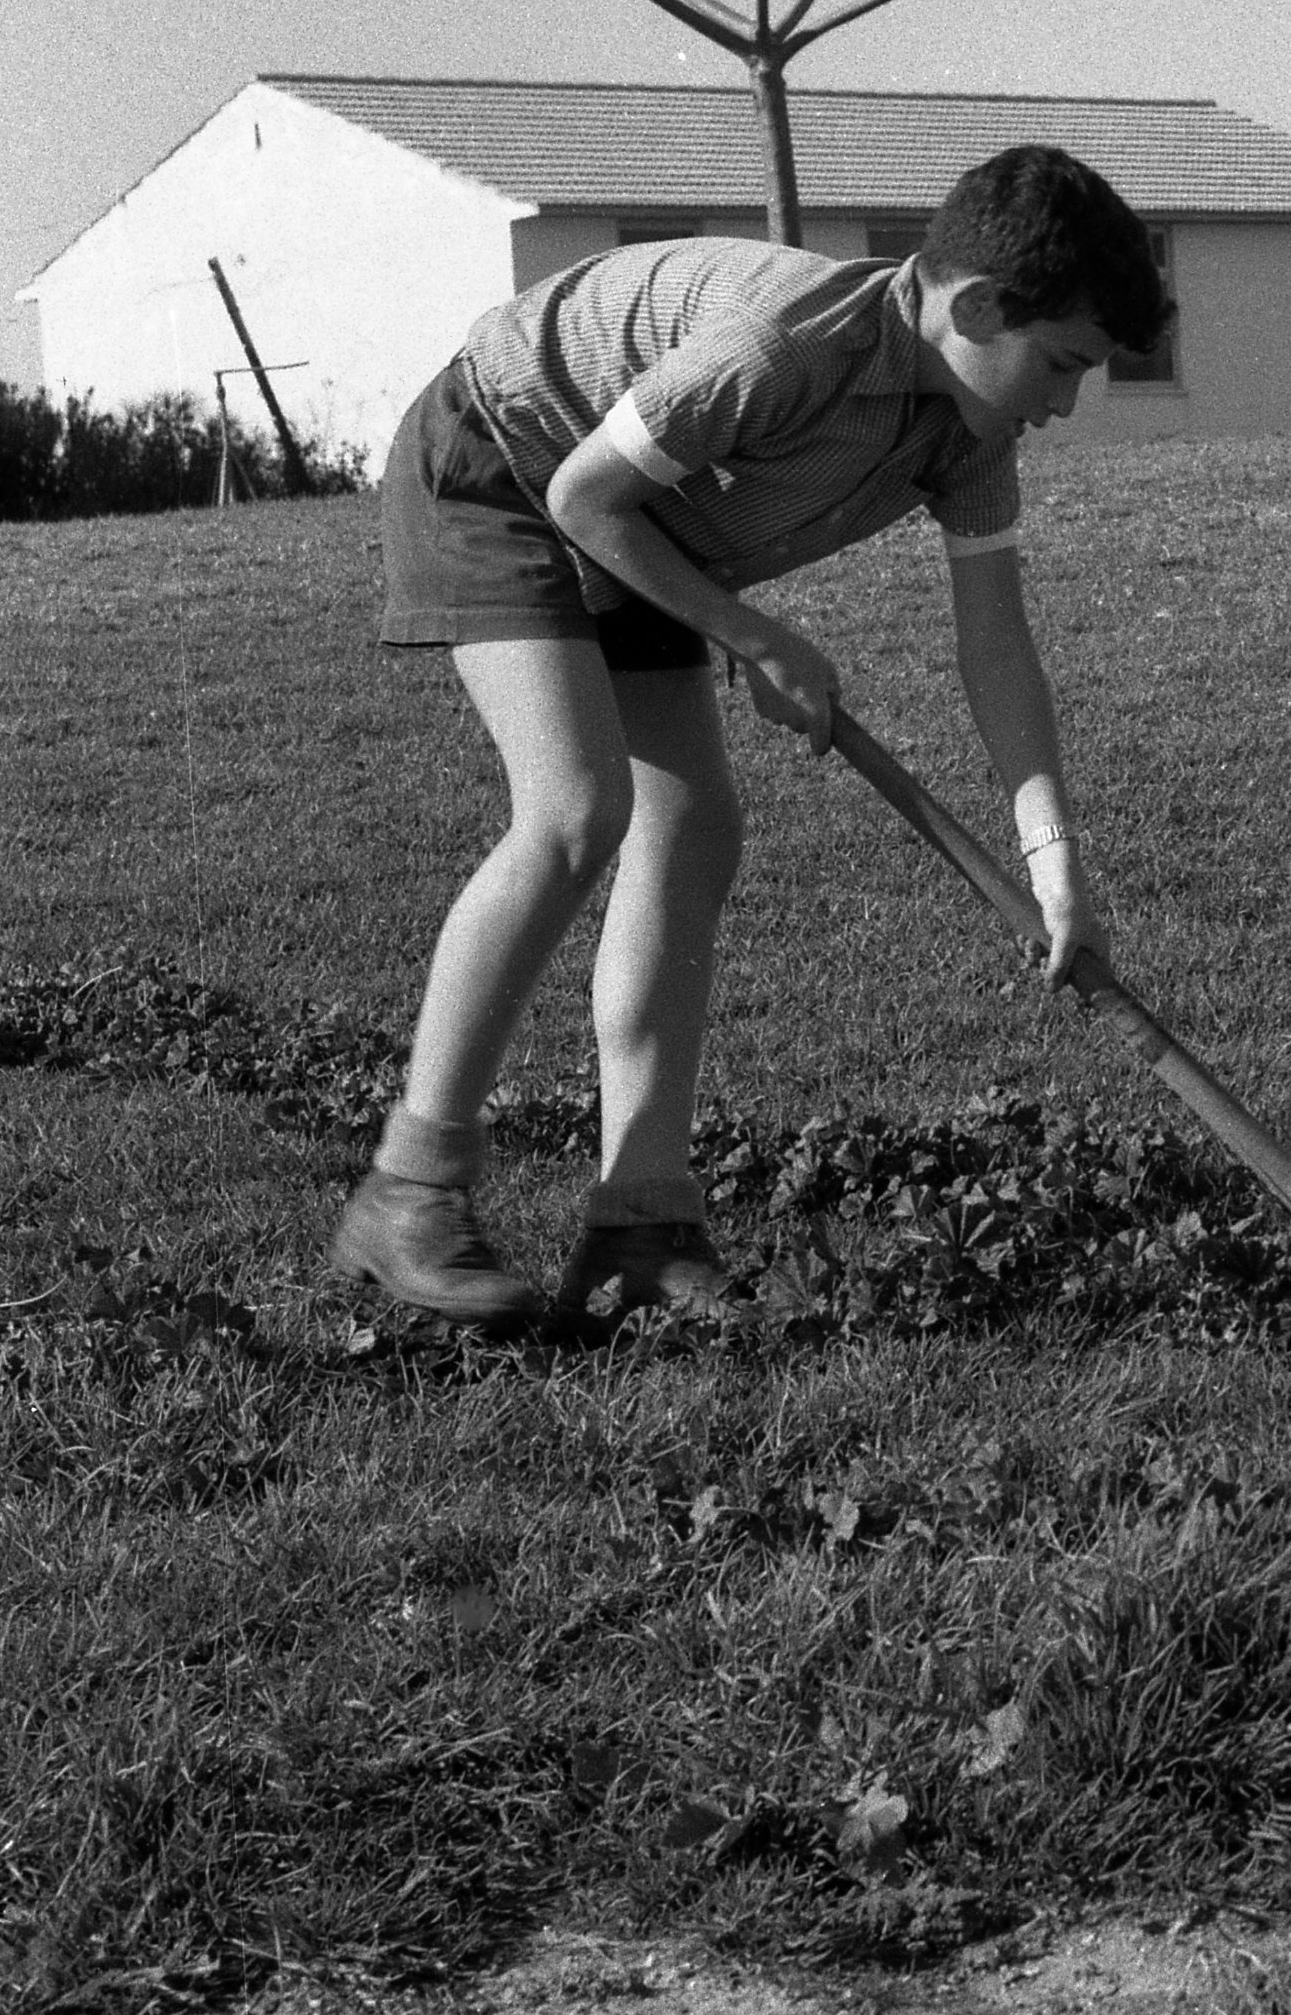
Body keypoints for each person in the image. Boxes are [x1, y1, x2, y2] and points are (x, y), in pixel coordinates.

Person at [335, 144, 1170, 1330]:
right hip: (506, 462)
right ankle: (407, 1188)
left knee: (696, 823)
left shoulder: (976, 432)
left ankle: (643, 1223)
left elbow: (996, 643)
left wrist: (1054, 859)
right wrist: (755, 637)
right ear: (976, 305)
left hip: (642, 522)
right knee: (577, 810)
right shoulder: (785, 345)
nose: (1063, 400)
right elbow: (580, 496)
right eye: (1061, 361)